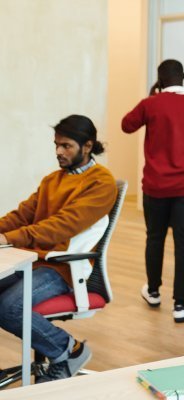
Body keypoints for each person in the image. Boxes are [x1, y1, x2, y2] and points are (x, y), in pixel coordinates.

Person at [0, 115, 117, 382]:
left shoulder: (101, 182)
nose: (59, 152)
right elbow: (21, 216)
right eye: (56, 145)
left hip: (62, 268)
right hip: (34, 261)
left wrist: (7, 239)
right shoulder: (52, 180)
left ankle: (69, 350)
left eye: (66, 146)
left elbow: (61, 227)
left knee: (9, 308)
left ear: (87, 146)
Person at [121, 59, 184, 323]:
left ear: (160, 79)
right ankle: (180, 305)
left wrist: (152, 96)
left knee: (155, 238)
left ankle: (153, 292)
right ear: (183, 77)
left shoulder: (151, 104)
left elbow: (126, 125)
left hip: (156, 187)